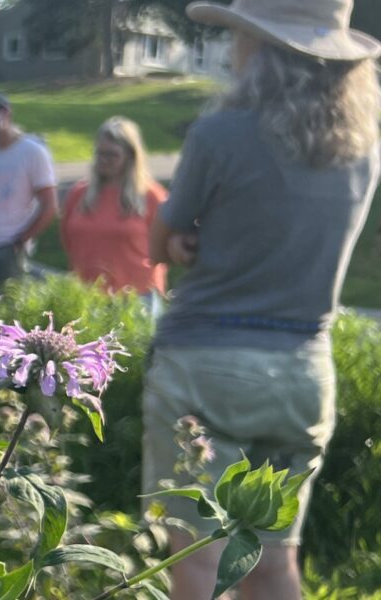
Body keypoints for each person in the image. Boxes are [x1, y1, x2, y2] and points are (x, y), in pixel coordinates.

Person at [142, 0, 379, 598]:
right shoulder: (363, 150)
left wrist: (189, 243)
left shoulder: (220, 132)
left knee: (200, 562)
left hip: (206, 362)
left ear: (259, 47)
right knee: (272, 563)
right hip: (303, 370)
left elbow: (160, 244)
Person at [60, 117, 169, 303]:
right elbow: (67, 239)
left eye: (111, 155)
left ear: (130, 155)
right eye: (99, 153)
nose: (103, 160)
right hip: (86, 294)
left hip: (137, 296)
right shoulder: (79, 193)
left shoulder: (151, 195)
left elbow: (165, 246)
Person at [0, 92, 58, 287]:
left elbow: (49, 206)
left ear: (6, 114)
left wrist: (20, 242)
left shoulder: (32, 151)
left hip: (6, 247)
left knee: (2, 312)